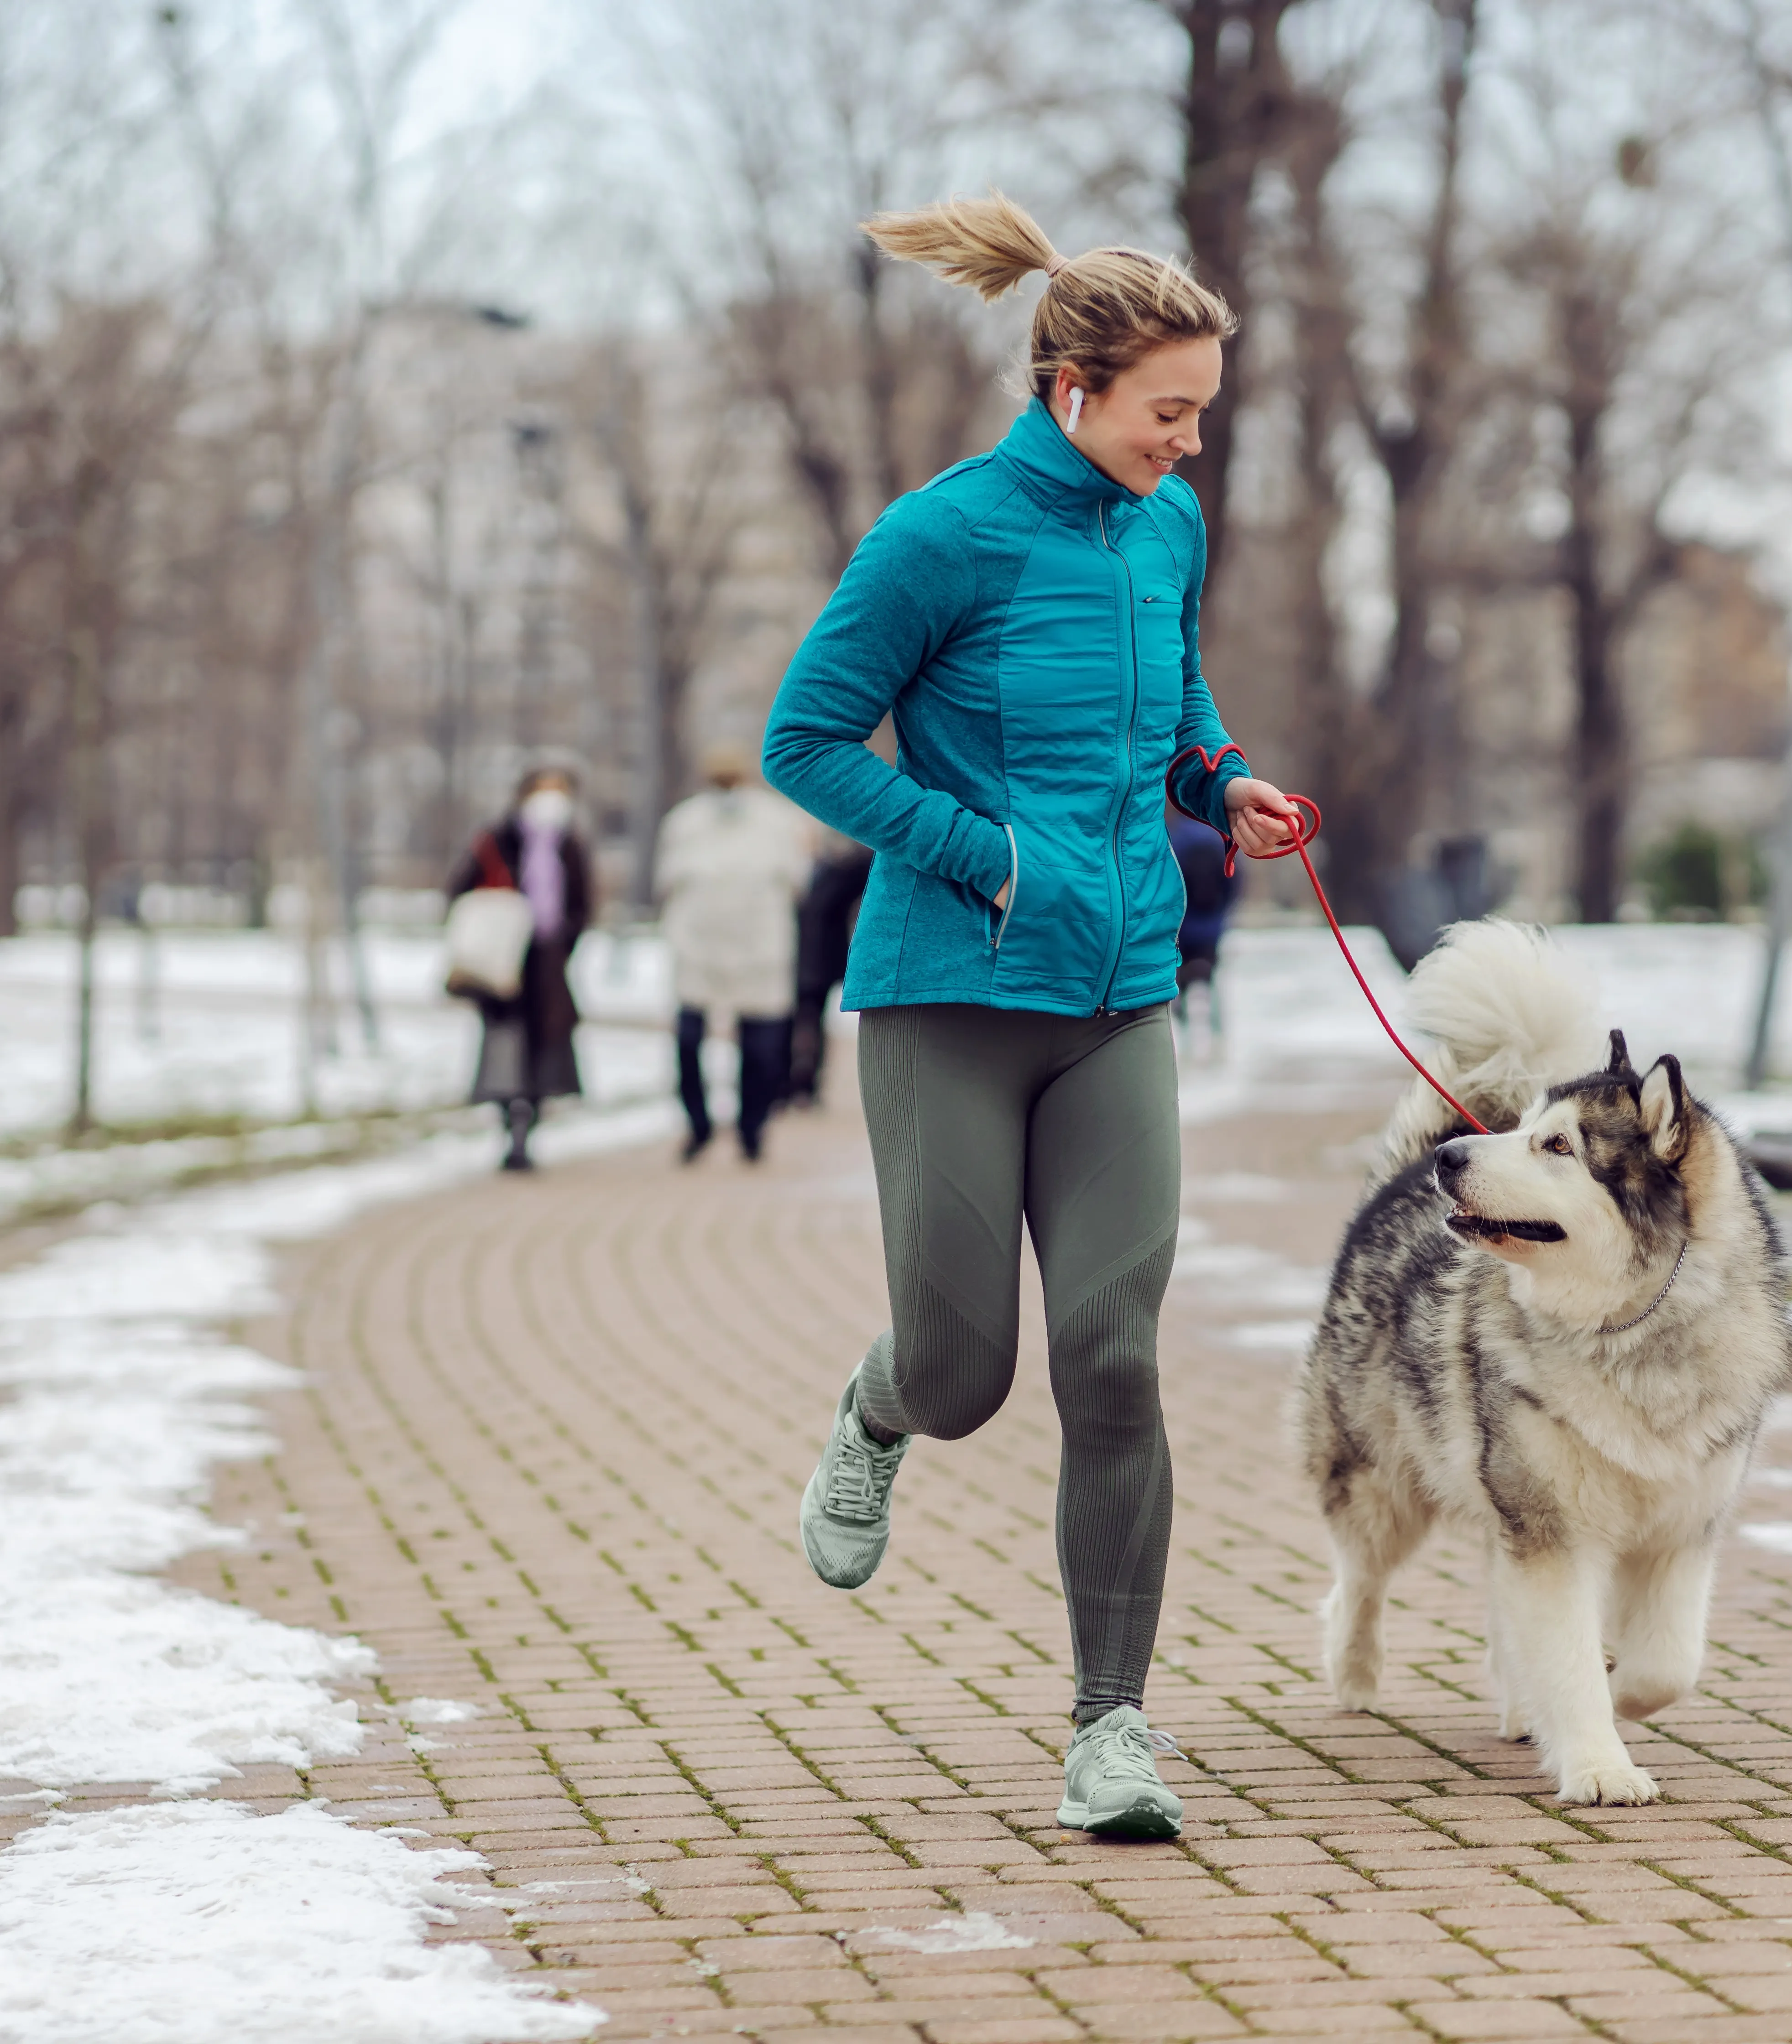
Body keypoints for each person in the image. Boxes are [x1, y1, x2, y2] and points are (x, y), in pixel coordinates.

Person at [763, 191, 1313, 1841]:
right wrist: (986, 856)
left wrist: (1220, 782)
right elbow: (807, 741)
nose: (1189, 443)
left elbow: (1172, 691)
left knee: (1111, 1356)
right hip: (947, 993)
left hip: (1119, 992)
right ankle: (879, 1406)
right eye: (1169, 410)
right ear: (1069, 387)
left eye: (1203, 411)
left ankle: (1109, 1729)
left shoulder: (1163, 530)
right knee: (965, 1366)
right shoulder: (938, 536)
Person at [655, 748, 815, 1163]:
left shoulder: (779, 820)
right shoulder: (684, 822)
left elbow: (799, 881)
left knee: (761, 1046)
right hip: (699, 945)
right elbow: (667, 881)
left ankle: (752, 1127)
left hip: (759, 945)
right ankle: (698, 1124)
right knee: (689, 1040)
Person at [447, 758, 594, 1172]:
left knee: (544, 1048)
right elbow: (460, 890)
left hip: (548, 964)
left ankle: (527, 1127)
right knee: (504, 1048)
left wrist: (564, 944)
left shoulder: (570, 844)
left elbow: (582, 905)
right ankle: (509, 1127)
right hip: (503, 965)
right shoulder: (498, 839)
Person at [786, 836, 873, 1107]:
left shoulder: (843, 868)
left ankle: (806, 1083)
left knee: (810, 1019)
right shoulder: (807, 872)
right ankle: (794, 1082)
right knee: (794, 1021)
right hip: (793, 957)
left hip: (819, 959)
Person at [1167, 812, 1238, 1051]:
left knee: (1181, 983)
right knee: (1213, 980)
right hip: (1211, 927)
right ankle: (1219, 1036)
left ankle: (1185, 1038)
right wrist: (1222, 915)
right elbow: (1234, 881)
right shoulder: (1220, 839)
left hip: (1182, 928)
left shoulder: (1176, 839)